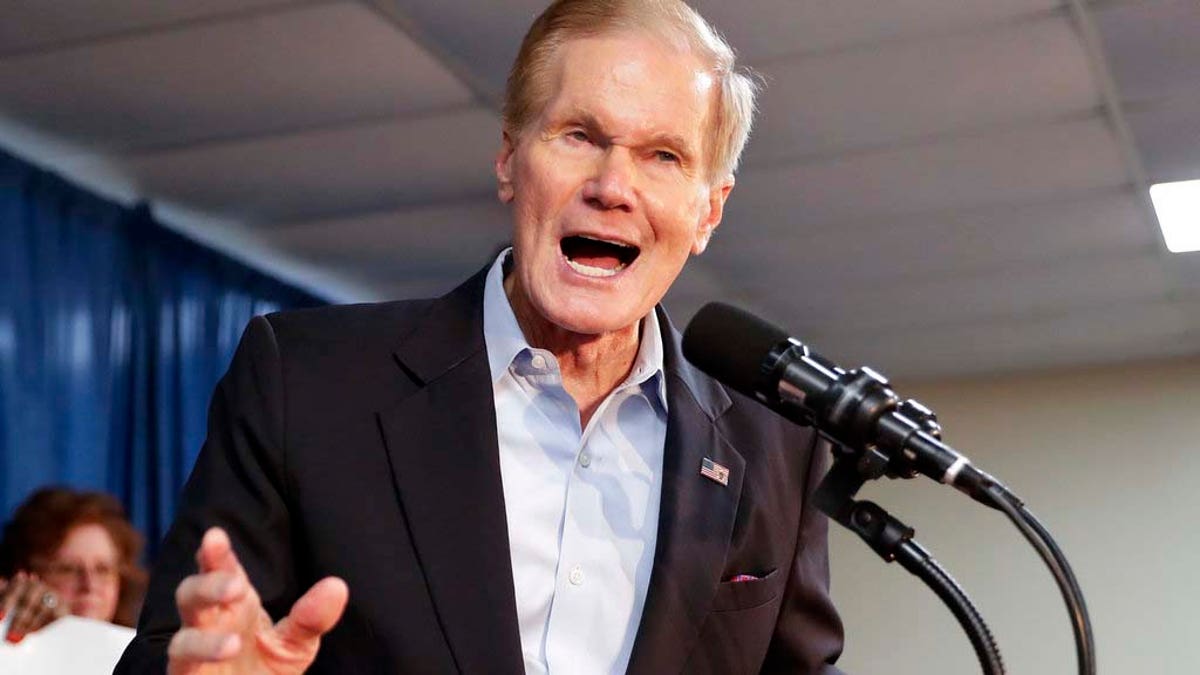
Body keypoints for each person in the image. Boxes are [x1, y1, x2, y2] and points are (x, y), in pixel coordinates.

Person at [116, 1, 845, 673]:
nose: (613, 185)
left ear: (708, 212)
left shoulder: (779, 443)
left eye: (664, 156)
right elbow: (167, 654)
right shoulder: (302, 381)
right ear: (509, 160)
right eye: (580, 135)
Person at [0, 487, 147, 642]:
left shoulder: (146, 656)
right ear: (24, 574)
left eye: (103, 570)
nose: (90, 586)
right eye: (67, 569)